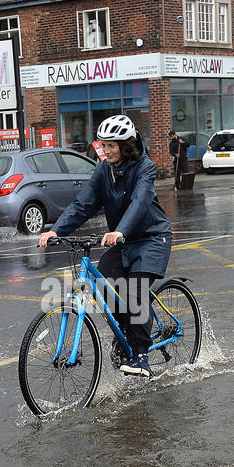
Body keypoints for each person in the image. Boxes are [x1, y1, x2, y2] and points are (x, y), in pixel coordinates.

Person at [37, 115, 171, 379]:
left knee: (134, 292)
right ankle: (128, 339)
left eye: (112, 145)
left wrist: (120, 230)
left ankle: (142, 355)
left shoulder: (144, 167)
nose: (106, 150)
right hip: (123, 241)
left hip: (152, 239)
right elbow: (83, 204)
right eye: (103, 144)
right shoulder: (103, 170)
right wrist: (56, 230)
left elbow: (140, 202)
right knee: (108, 288)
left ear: (126, 144)